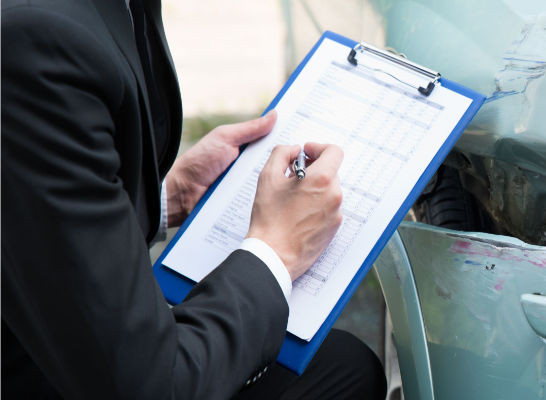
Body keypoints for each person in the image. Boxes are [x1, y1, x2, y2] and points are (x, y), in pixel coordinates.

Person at [1, 0, 384, 398]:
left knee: (347, 365)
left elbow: (32, 208)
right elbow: (153, 386)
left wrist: (170, 196)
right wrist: (277, 250)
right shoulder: (36, 41)